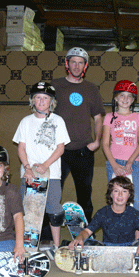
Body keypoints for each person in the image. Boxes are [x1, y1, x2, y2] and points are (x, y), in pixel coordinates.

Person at [13, 81, 70, 248]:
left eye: (45, 98)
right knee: (29, 210)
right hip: (29, 173)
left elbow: (60, 148)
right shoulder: (25, 121)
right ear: (32, 101)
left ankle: (57, 245)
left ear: (51, 102)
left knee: (53, 209)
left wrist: (45, 165)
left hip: (51, 173)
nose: (42, 101)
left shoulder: (58, 121)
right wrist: (27, 168)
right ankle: (26, 245)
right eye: (38, 97)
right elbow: (21, 147)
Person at [51, 47, 105, 223]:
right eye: (73, 62)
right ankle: (47, 234)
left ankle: (86, 233)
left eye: (80, 62)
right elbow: (45, 114)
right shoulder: (55, 86)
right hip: (59, 151)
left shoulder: (91, 89)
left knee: (84, 194)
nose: (76, 66)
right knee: (53, 193)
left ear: (85, 66)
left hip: (84, 150)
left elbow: (98, 117)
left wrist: (97, 141)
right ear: (67, 64)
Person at [69, 176, 139, 256]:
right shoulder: (102, 213)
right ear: (110, 194)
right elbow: (87, 232)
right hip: (107, 250)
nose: (120, 195)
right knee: (87, 243)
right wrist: (79, 237)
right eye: (116, 191)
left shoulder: (134, 213)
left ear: (129, 195)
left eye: (124, 191)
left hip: (129, 250)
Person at [102, 80, 139, 222]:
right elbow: (105, 144)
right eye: (122, 96)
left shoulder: (137, 117)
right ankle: (116, 234)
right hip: (114, 162)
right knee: (116, 200)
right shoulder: (109, 117)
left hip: (132, 163)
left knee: (136, 201)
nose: (125, 99)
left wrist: (130, 162)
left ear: (133, 100)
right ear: (116, 98)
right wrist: (114, 165)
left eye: (129, 96)